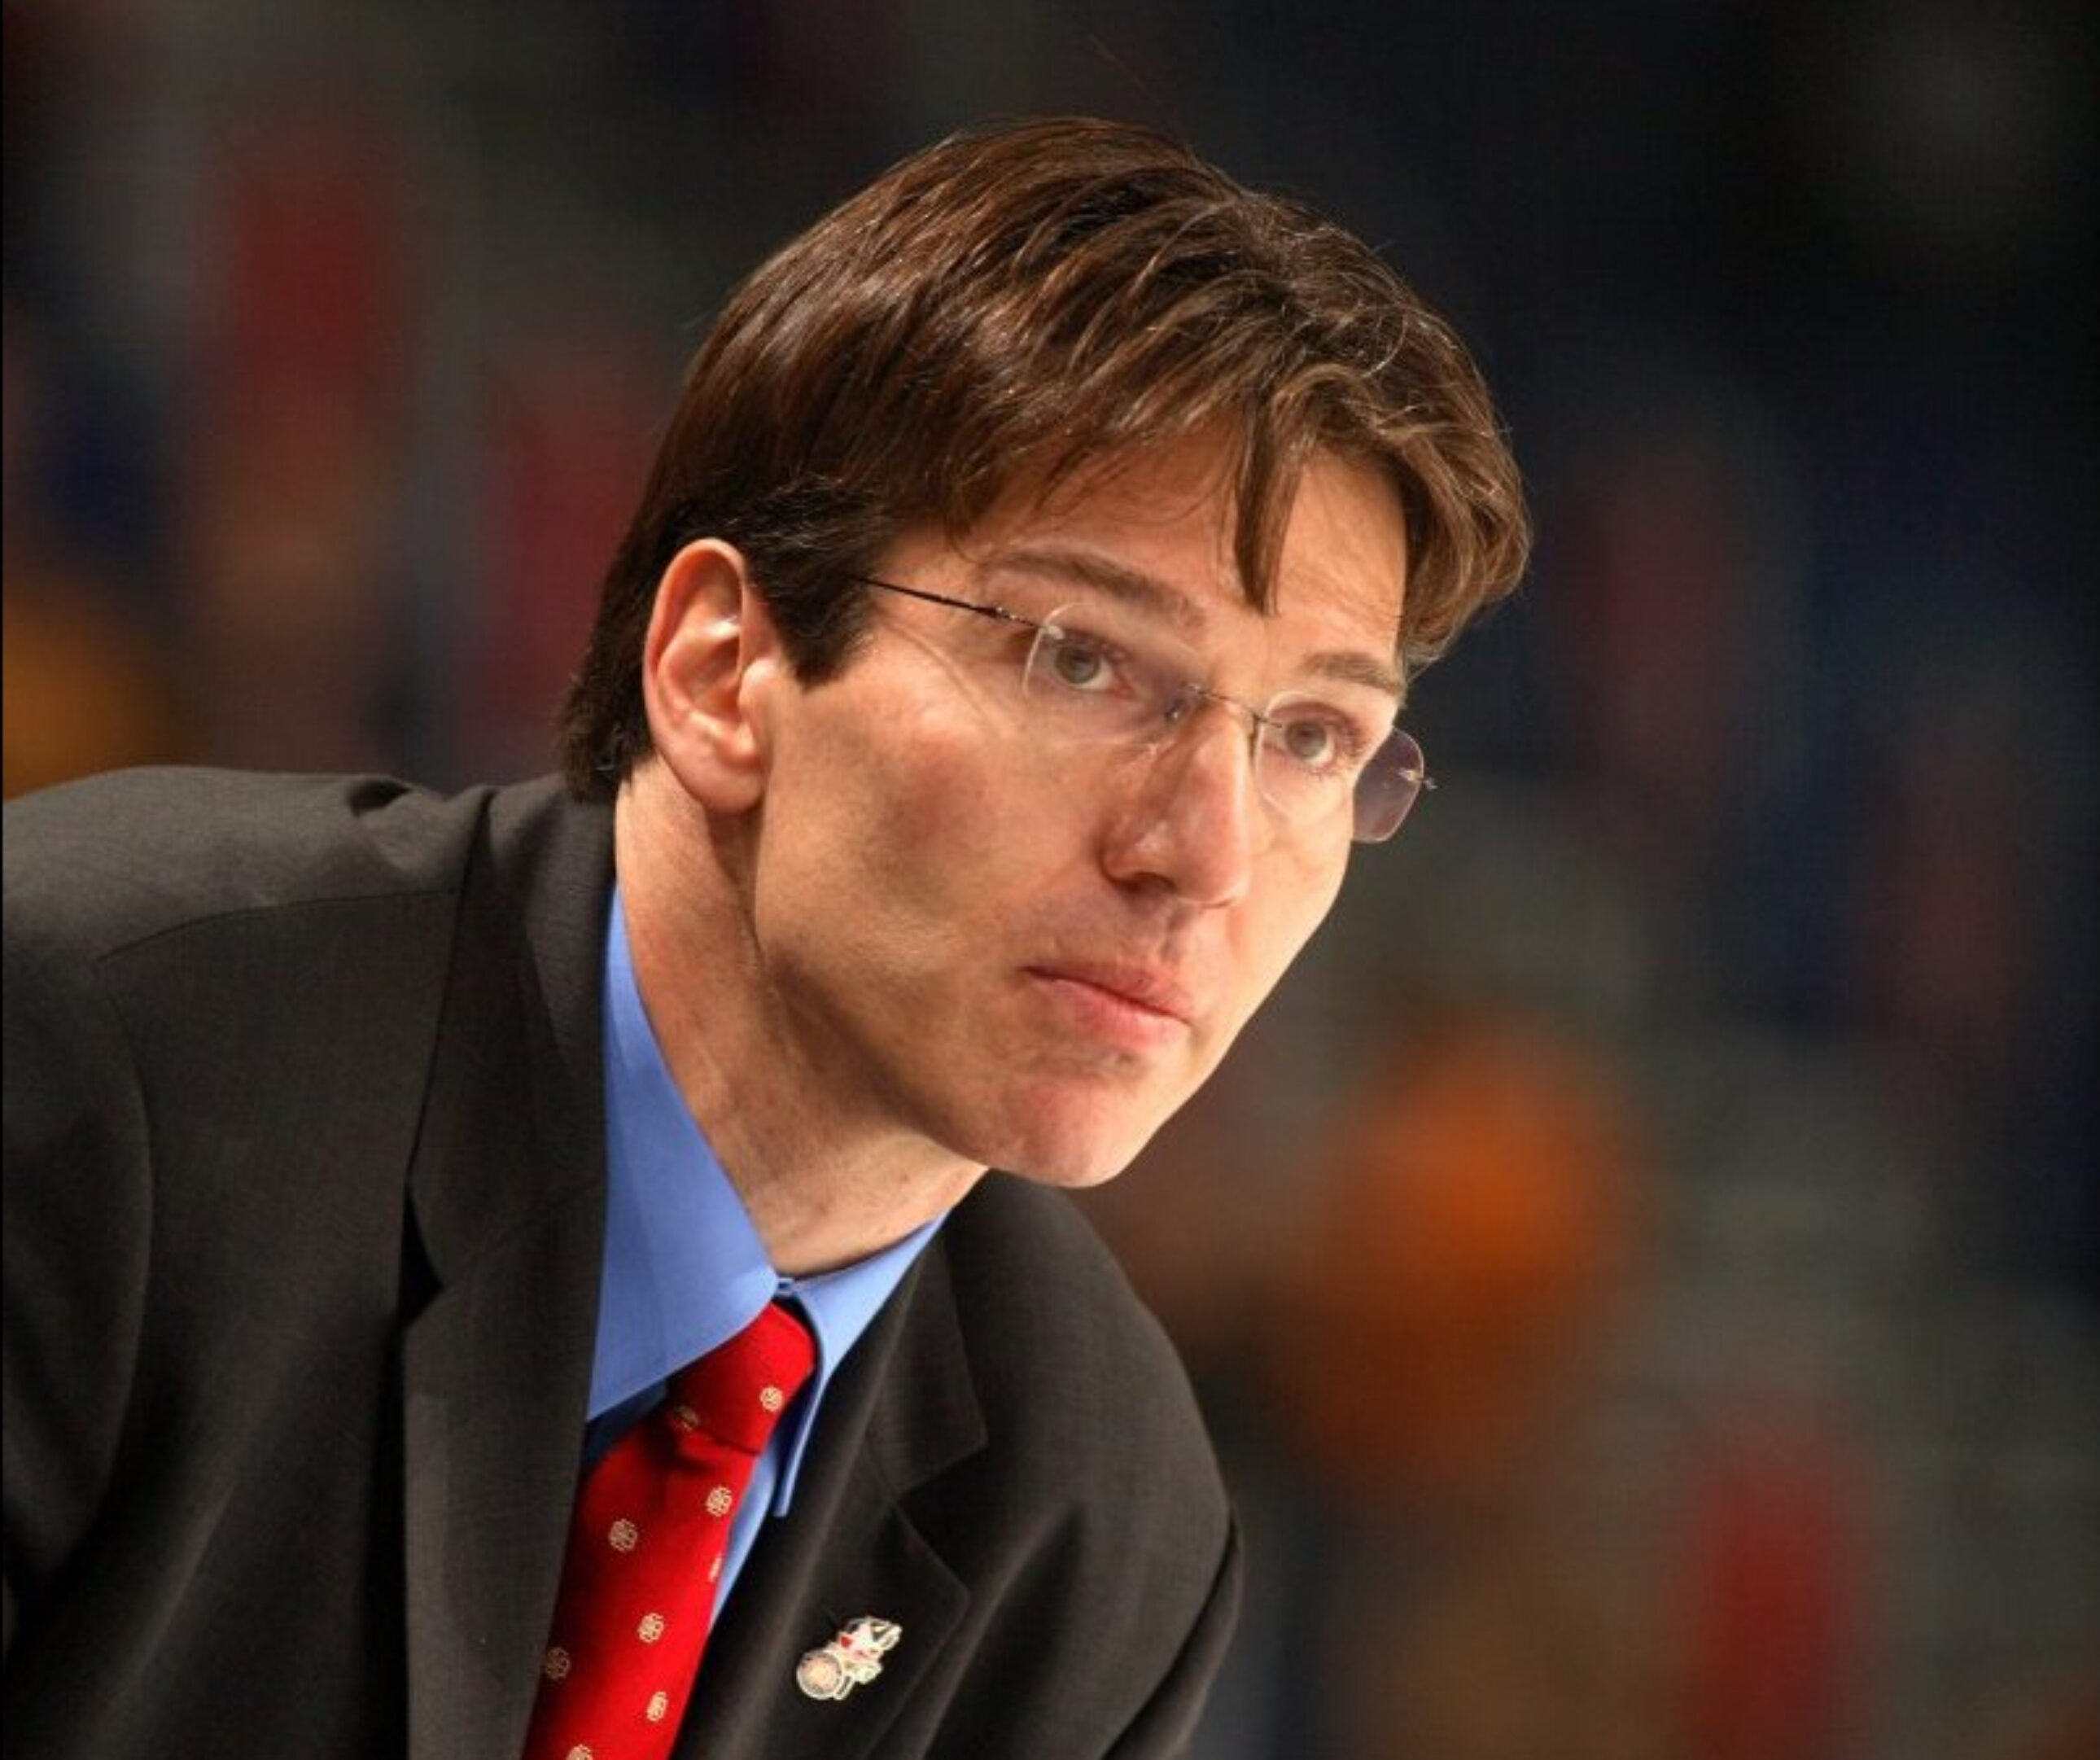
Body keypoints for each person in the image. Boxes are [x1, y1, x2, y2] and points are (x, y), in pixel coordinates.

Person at [2, 116, 1528, 1758]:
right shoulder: (100, 1051)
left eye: (1314, 737)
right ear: (722, 669)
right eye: (1084, 661)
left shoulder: (1098, 1510)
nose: (1206, 853)